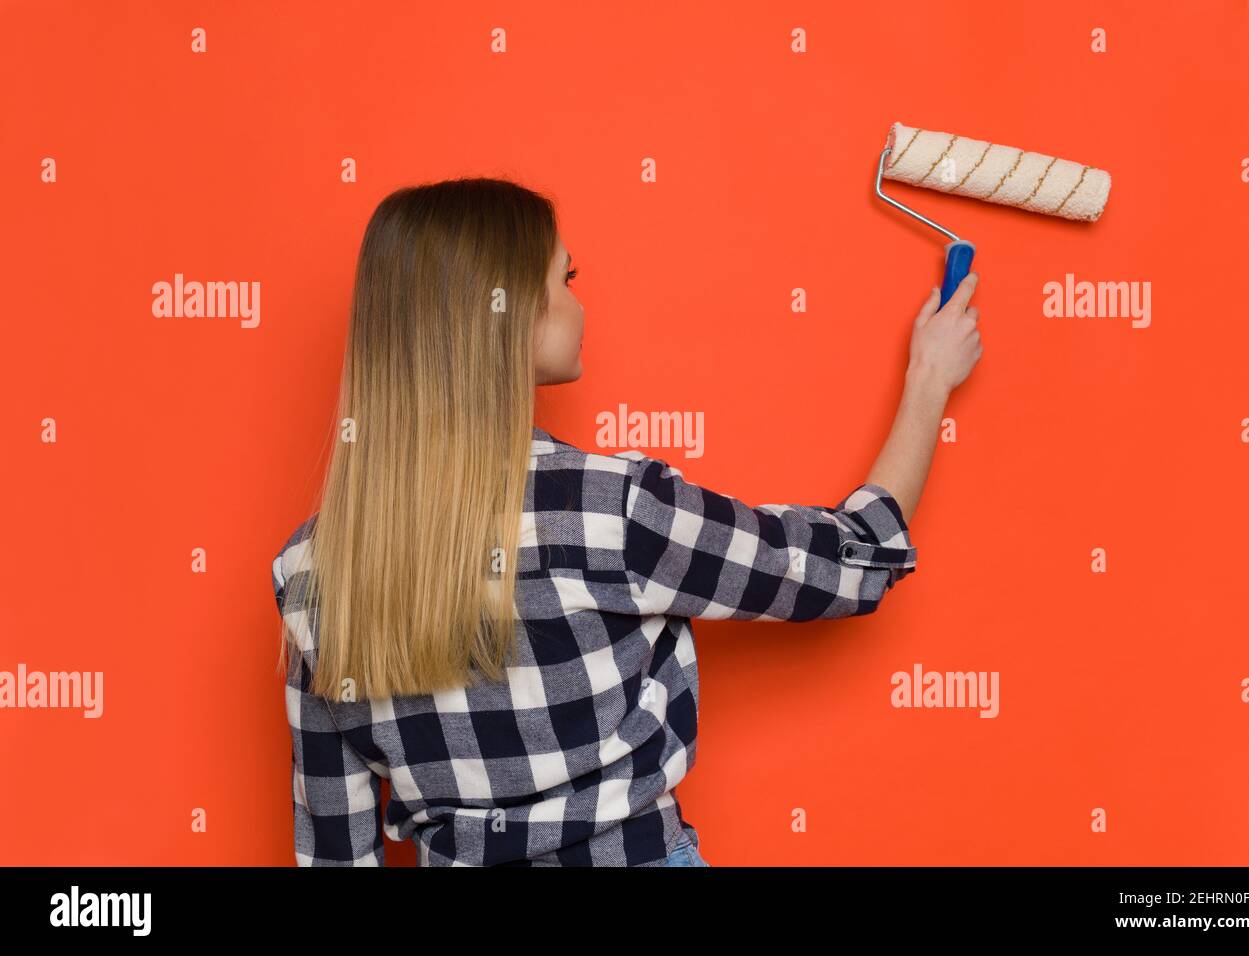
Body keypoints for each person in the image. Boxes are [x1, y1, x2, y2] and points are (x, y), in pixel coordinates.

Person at [271, 177, 981, 867]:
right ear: (513, 307)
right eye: (568, 278)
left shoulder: (312, 577)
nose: (581, 304)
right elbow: (850, 565)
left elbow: (335, 848)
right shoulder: (610, 512)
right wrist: (928, 383)